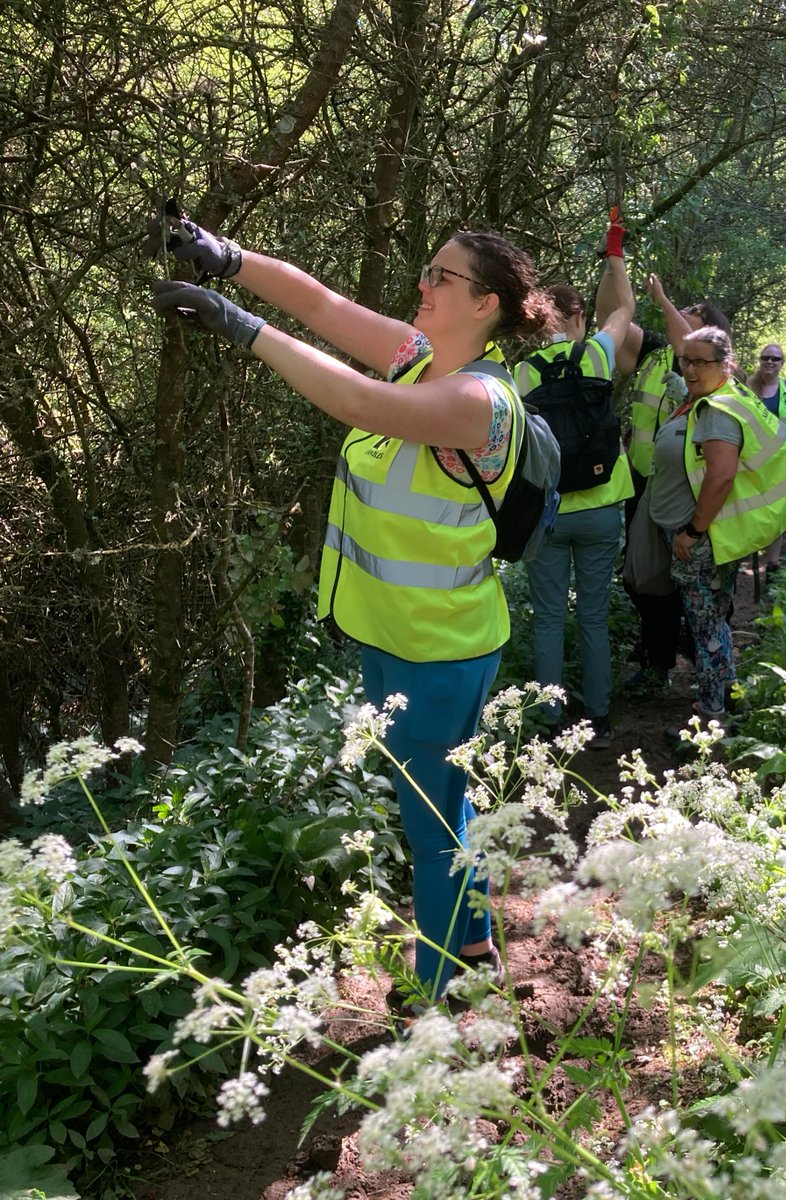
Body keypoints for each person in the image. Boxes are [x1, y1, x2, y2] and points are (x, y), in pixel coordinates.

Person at [145, 211, 557, 1006]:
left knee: (429, 831)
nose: (423, 285)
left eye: (443, 277)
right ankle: (472, 942)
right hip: (397, 635)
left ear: (489, 305)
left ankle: (441, 994)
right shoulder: (419, 357)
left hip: (439, 652)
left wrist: (236, 324)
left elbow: (358, 404)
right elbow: (326, 307)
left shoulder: (479, 402)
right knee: (444, 799)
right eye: (427, 270)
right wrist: (228, 258)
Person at [513, 234, 636, 748]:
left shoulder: (522, 373)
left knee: (546, 619)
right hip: (603, 508)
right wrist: (614, 257)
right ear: (579, 316)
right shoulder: (599, 356)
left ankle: (549, 722)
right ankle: (600, 718)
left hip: (549, 513)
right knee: (592, 616)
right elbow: (626, 307)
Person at [646, 318, 786, 721]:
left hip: (704, 539)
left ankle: (714, 711)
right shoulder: (734, 396)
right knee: (715, 618)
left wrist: (691, 532)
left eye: (701, 362)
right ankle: (727, 694)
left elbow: (721, 475)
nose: (691, 370)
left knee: (705, 626)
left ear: (725, 364)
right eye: (686, 362)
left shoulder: (716, 412)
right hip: (720, 536)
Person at [594, 236, 731, 691]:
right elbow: (608, 319)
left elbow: (687, 341)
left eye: (694, 309)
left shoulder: (716, 378)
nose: (684, 313)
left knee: (696, 587)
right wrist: (615, 265)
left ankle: (701, 668)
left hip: (694, 494)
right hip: (644, 485)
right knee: (641, 576)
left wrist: (664, 299)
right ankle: (659, 658)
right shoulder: (654, 354)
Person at [746, 343, 786, 577]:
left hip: (782, 463)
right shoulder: (747, 390)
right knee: (752, 512)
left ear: (782, 363)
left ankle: (772, 565)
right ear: (760, 360)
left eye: (775, 359)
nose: (770, 362)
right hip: (751, 464)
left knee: (777, 515)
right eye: (766, 358)